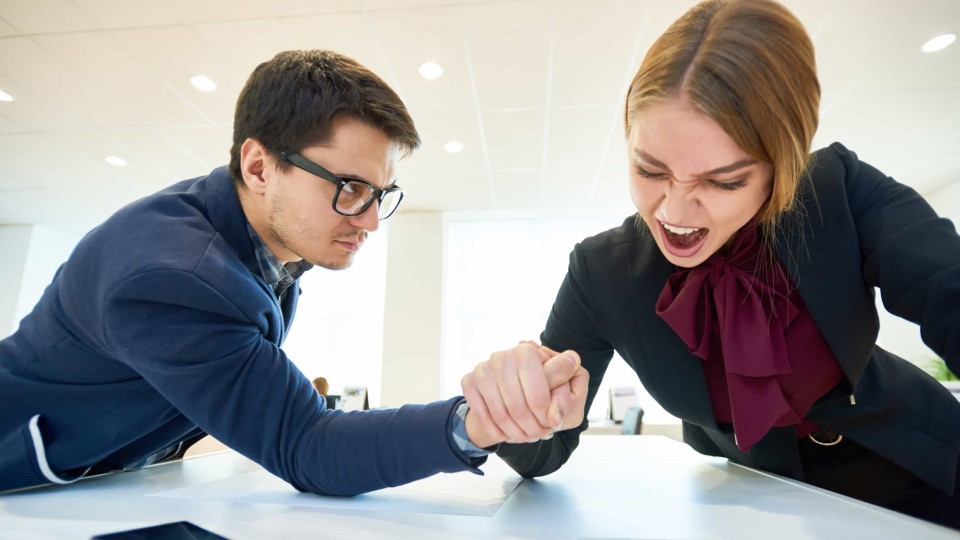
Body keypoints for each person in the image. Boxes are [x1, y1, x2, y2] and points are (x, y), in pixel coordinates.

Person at [459, 0, 960, 527]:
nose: (674, 213)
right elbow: (548, 447)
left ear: (781, 164)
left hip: (925, 459)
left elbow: (948, 288)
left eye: (724, 181)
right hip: (760, 501)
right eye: (650, 170)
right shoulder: (600, 272)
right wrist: (514, 411)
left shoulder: (838, 191)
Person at [0, 50, 582, 496]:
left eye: (381, 193)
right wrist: (475, 422)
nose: (372, 220)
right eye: (351, 189)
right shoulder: (174, 276)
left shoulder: (261, 247)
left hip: (110, 478)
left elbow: (290, 410)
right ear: (259, 167)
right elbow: (306, 445)